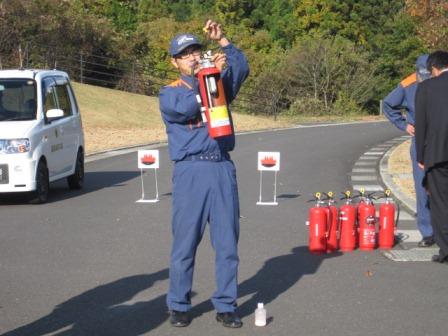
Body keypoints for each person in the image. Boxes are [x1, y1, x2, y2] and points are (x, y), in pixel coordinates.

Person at [159, 20, 249, 327]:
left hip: (221, 166)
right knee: (185, 244)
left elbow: (241, 69)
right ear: (175, 62)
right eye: (185, 54)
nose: (193, 57)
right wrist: (205, 76)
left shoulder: (216, 83)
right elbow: (184, 109)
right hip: (191, 170)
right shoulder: (170, 92)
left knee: (227, 244)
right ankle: (179, 304)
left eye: (196, 50)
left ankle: (226, 304)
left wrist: (223, 41)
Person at [383, 54, 434, 247]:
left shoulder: (441, 80)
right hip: (420, 139)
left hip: (441, 137)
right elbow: (389, 104)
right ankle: (427, 232)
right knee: (422, 187)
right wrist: (403, 125)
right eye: (422, 75)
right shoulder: (407, 84)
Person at [415, 50, 448, 264]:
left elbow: (421, 126)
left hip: (437, 155)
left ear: (434, 69)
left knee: (440, 203)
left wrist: (421, 156)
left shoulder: (426, 87)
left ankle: (445, 250)